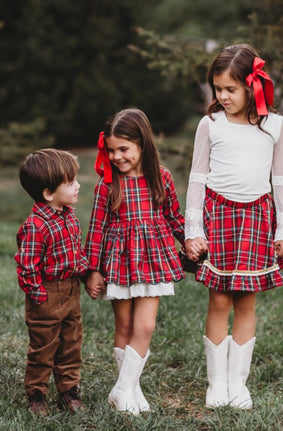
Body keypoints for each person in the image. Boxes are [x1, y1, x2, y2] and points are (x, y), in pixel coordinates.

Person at [185, 44, 283, 410]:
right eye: (218, 89)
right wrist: (193, 229)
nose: (223, 96)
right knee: (219, 298)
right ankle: (216, 384)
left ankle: (238, 384)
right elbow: (197, 178)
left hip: (257, 218)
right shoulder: (210, 124)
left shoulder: (275, 126)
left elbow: (282, 179)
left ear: (252, 86)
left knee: (246, 300)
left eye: (230, 89)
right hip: (219, 217)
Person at [85, 108, 185, 415]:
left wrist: (191, 241)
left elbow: (173, 217)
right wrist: (93, 270)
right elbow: (97, 227)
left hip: (153, 258)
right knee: (125, 325)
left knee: (146, 326)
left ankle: (124, 388)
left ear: (143, 144)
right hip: (119, 260)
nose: (117, 156)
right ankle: (130, 390)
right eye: (112, 150)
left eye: (124, 149)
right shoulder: (108, 184)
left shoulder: (161, 178)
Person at [15, 149, 88, 416]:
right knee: (44, 347)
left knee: (71, 343)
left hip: (71, 290)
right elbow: (26, 265)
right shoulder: (36, 226)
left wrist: (85, 270)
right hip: (47, 292)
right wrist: (38, 295)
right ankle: (37, 395)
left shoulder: (69, 216)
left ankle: (68, 392)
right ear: (48, 193)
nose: (78, 185)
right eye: (70, 182)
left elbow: (75, 252)